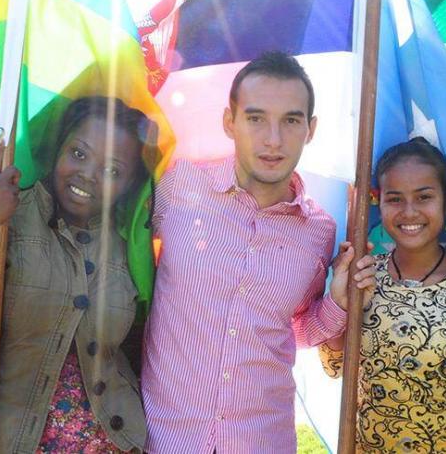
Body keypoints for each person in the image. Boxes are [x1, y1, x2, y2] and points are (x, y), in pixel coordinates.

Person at [141, 51, 376, 453]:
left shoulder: (319, 231)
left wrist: (336, 302)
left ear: (310, 129)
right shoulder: (177, 188)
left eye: (290, 120)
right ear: (229, 123)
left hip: (262, 442)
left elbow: (297, 329)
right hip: (164, 438)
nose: (273, 139)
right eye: (255, 118)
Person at [0, 97, 152, 453]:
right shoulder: (4, 215)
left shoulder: (128, 247)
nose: (88, 174)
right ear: (57, 149)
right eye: (79, 154)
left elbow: (135, 351)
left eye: (112, 171)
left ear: (130, 185)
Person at [320, 137, 446, 453]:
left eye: (424, 196)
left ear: (445, 201)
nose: (409, 212)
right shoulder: (365, 277)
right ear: (380, 203)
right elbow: (335, 367)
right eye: (395, 198)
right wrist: (342, 306)